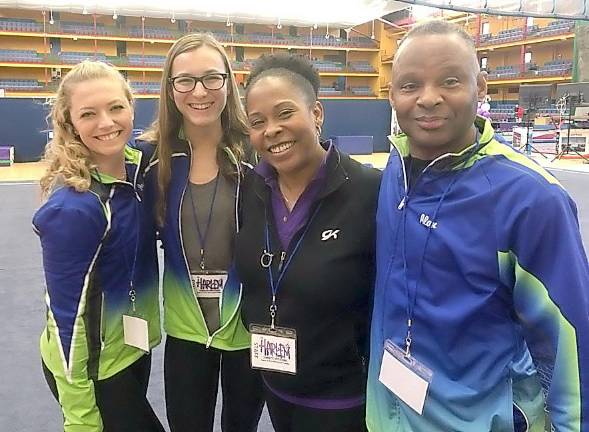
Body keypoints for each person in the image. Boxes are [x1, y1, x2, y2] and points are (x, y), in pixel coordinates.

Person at [366, 20, 589, 431]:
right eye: (411, 85)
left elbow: (570, 340)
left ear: (480, 87)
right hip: (388, 415)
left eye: (449, 81)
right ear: (392, 94)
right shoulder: (393, 174)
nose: (428, 99)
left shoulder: (531, 199)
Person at [235, 54, 381, 432]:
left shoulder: (370, 191)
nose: (272, 130)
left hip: (345, 399)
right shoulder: (250, 190)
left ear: (316, 113)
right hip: (276, 387)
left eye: (285, 113)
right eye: (257, 122)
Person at [138, 33, 264, 432]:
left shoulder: (259, 153)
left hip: (247, 327)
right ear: (170, 87)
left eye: (212, 78)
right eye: (186, 80)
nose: (200, 91)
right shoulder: (151, 159)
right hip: (186, 330)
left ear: (228, 81)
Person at [33, 61, 163, 431]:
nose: (106, 123)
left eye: (115, 108)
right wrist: (80, 418)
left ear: (131, 107)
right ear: (70, 123)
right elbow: (66, 321)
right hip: (92, 368)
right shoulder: (76, 208)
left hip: (131, 350)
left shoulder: (140, 168)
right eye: (89, 114)